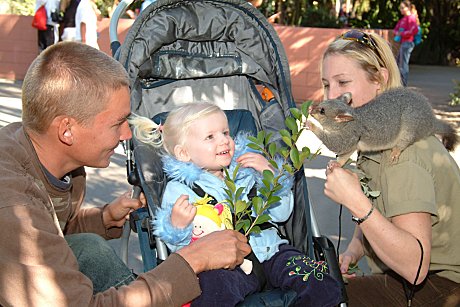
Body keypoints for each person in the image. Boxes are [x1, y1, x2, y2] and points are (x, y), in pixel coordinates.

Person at [0, 41, 252, 306]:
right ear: (67, 131)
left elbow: (53, 230)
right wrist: (194, 259)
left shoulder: (55, 160)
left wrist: (104, 218)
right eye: (118, 123)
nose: (127, 135)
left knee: (89, 248)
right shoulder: (13, 204)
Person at [129, 103, 342, 306]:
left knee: (318, 280)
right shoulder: (181, 191)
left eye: (226, 133)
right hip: (226, 266)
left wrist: (270, 176)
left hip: (271, 251)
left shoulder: (247, 171)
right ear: (184, 153)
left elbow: (281, 214)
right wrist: (177, 227)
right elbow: (182, 251)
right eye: (210, 137)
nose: (223, 141)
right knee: (212, 289)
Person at [319, 29, 460, 306]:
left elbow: (415, 268)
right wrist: (354, 251)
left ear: (380, 81)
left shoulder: (403, 155)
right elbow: (385, 207)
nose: (331, 96)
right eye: (326, 84)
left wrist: (355, 201)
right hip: (414, 276)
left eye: (343, 82)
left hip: (442, 285)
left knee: (325, 299)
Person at [393, 0, 420, 86]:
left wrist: (403, 34)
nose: (400, 9)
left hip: (407, 43)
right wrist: (398, 33)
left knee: (403, 65)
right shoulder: (403, 19)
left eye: (402, 7)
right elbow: (396, 29)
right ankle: (399, 84)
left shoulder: (411, 18)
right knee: (398, 64)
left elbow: (414, 30)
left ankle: (403, 86)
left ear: (408, 8)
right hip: (403, 43)